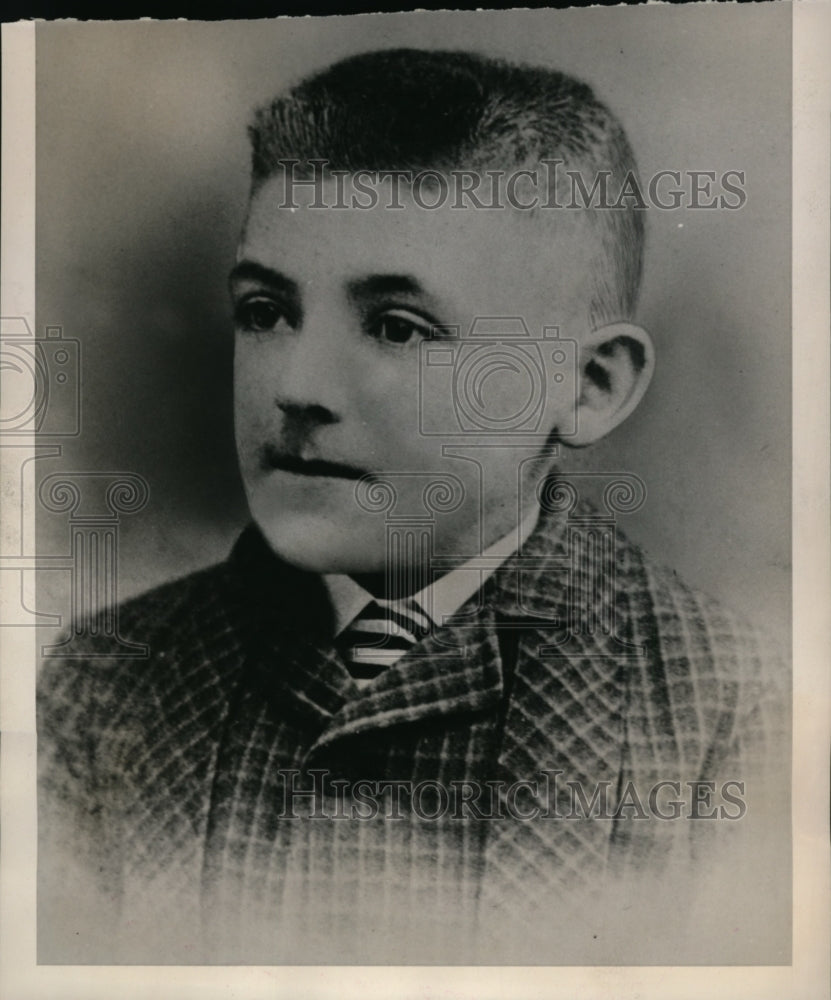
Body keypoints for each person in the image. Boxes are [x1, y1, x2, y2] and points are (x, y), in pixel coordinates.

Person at [37, 48, 788, 965]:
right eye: (267, 311)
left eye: (398, 326)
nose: (299, 388)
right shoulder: (98, 688)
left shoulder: (734, 717)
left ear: (587, 387)